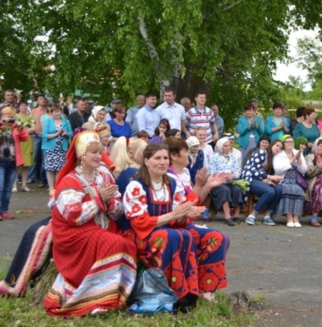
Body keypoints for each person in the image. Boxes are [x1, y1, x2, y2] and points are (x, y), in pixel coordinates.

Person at [123, 143, 229, 308]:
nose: (163, 162)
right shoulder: (136, 186)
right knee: (177, 236)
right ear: (146, 161)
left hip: (170, 229)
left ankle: (206, 290)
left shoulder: (172, 183)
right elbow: (139, 223)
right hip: (143, 235)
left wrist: (185, 214)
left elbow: (177, 220)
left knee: (216, 237)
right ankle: (178, 292)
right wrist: (174, 215)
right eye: (157, 158)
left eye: (165, 158)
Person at [44, 131, 136, 317]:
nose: (98, 156)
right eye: (93, 152)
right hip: (74, 233)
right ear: (81, 156)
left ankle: (116, 295)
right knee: (114, 243)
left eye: (100, 151)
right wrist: (100, 200)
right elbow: (74, 216)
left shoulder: (104, 175)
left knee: (129, 243)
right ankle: (97, 300)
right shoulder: (70, 180)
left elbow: (118, 212)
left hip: (102, 228)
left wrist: (110, 202)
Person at [0, 106, 29, 220]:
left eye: (11, 116)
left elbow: (25, 138)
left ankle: (4, 210)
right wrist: (0, 123)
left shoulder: (15, 127)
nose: (9, 118)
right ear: (2, 116)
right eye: (7, 115)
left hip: (13, 161)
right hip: (0, 161)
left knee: (8, 188)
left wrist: (21, 127)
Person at [241, 137, 283, 226]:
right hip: (250, 178)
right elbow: (252, 170)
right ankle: (252, 215)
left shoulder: (273, 157)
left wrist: (271, 178)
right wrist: (269, 177)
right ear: (271, 145)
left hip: (262, 180)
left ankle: (267, 216)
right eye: (277, 145)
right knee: (269, 191)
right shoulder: (262, 152)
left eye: (280, 148)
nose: (278, 148)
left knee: (278, 189)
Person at [207, 137, 243, 226]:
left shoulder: (233, 157)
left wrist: (233, 175)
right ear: (220, 147)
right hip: (219, 182)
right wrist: (222, 176)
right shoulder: (214, 157)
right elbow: (212, 172)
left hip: (231, 181)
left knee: (237, 189)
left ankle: (236, 215)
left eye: (229, 145)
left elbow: (237, 170)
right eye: (225, 146)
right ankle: (227, 216)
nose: (228, 147)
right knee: (224, 190)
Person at [273, 135, 308, 228]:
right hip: (284, 179)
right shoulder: (279, 155)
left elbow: (304, 170)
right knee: (287, 189)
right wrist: (292, 160)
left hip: (296, 179)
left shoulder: (297, 152)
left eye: (291, 142)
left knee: (298, 190)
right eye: (287, 142)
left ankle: (296, 218)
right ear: (283, 144)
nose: (290, 144)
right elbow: (278, 170)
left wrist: (299, 158)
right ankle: (289, 218)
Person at [42, 103, 74, 194]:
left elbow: (71, 133)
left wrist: (66, 134)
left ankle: (57, 187)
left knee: (59, 168)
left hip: (62, 148)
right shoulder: (48, 121)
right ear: (52, 113)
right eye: (55, 112)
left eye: (59, 111)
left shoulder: (66, 122)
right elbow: (44, 135)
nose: (57, 113)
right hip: (50, 148)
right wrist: (56, 135)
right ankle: (51, 187)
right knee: (50, 168)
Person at [13, 100, 36, 193]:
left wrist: (22, 131)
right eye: (21, 105)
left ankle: (24, 185)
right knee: (16, 164)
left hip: (27, 141)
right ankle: (14, 185)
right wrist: (26, 130)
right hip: (17, 142)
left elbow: (34, 128)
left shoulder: (30, 116)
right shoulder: (15, 117)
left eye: (25, 105)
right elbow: (13, 129)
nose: (23, 107)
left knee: (26, 164)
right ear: (18, 107)